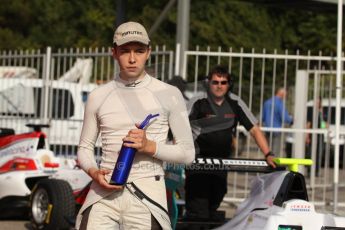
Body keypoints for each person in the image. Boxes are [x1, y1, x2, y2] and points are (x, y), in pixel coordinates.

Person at [75, 21, 195, 230]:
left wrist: (150, 147)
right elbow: (84, 149)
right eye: (125, 51)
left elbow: (187, 154)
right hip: (103, 194)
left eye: (139, 51)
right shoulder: (97, 96)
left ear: (148, 52)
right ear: (114, 52)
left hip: (148, 195)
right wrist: (94, 173)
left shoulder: (170, 94)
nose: (132, 59)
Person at [185, 65, 276, 222]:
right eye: (215, 82)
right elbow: (179, 126)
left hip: (222, 162)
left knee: (215, 202)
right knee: (198, 209)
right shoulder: (197, 101)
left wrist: (268, 154)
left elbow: (254, 129)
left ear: (229, 84)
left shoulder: (235, 102)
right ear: (208, 83)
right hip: (197, 162)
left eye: (223, 82)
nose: (219, 86)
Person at [262, 87, 293, 155]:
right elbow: (285, 118)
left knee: (267, 151)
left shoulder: (267, 102)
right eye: (285, 94)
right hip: (276, 130)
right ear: (281, 93)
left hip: (267, 129)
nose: (285, 96)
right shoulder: (279, 103)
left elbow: (262, 117)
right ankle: (274, 165)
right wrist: (292, 120)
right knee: (275, 152)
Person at [306, 97, 327, 176]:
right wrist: (307, 136)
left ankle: (316, 171)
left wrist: (325, 125)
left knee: (319, 153)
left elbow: (324, 124)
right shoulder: (311, 111)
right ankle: (310, 171)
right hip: (312, 135)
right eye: (316, 102)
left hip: (320, 135)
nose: (317, 103)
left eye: (319, 102)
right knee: (311, 153)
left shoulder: (321, 112)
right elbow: (308, 124)